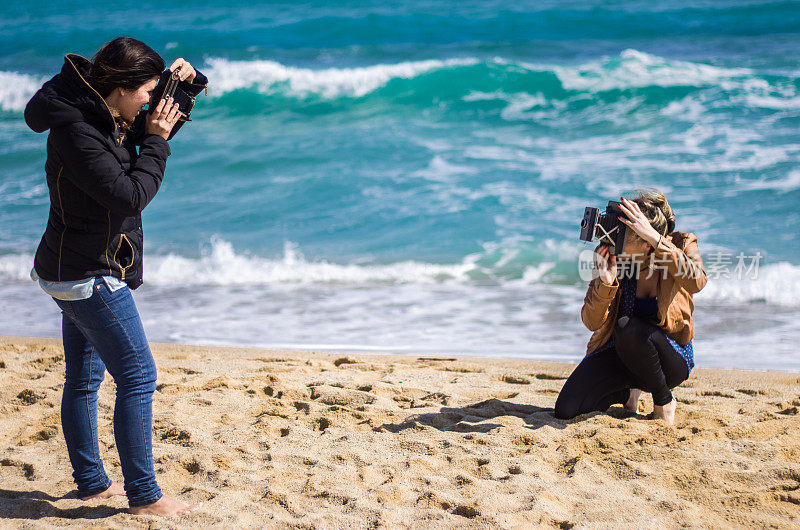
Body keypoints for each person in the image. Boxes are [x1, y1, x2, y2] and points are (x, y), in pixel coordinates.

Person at [24, 36, 207, 516]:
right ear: (121, 87)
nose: (152, 101)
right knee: (138, 376)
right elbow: (129, 193)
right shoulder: (78, 131)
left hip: (70, 267)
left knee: (84, 380)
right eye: (148, 90)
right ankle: (145, 496)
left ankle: (91, 483)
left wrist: (184, 87)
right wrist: (159, 142)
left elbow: (148, 133)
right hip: (87, 274)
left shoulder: (107, 115)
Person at [554, 190, 707, 426]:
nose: (616, 237)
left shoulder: (681, 245)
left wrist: (657, 241)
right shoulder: (615, 257)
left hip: (669, 360)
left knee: (628, 328)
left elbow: (697, 281)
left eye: (627, 232)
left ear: (646, 242)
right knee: (567, 409)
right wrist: (606, 283)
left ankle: (664, 400)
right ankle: (627, 392)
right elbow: (591, 322)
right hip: (622, 355)